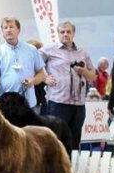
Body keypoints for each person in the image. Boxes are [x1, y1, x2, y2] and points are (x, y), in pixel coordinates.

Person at [40, 21, 95, 151]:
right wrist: (44, 77)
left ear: (73, 33)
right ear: (58, 34)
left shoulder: (83, 53)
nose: (65, 34)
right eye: (62, 32)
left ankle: (72, 169)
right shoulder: (48, 50)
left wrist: (84, 72)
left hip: (79, 105)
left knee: (75, 140)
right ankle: (55, 170)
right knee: (56, 140)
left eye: (68, 32)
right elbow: (32, 65)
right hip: (58, 102)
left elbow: (93, 76)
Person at [0, 17, 46, 112]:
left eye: (11, 27)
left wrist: (33, 81)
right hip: (7, 104)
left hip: (28, 103)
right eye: (5, 28)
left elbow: (42, 75)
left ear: (18, 30)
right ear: (2, 32)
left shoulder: (32, 50)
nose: (8, 30)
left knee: (30, 127)